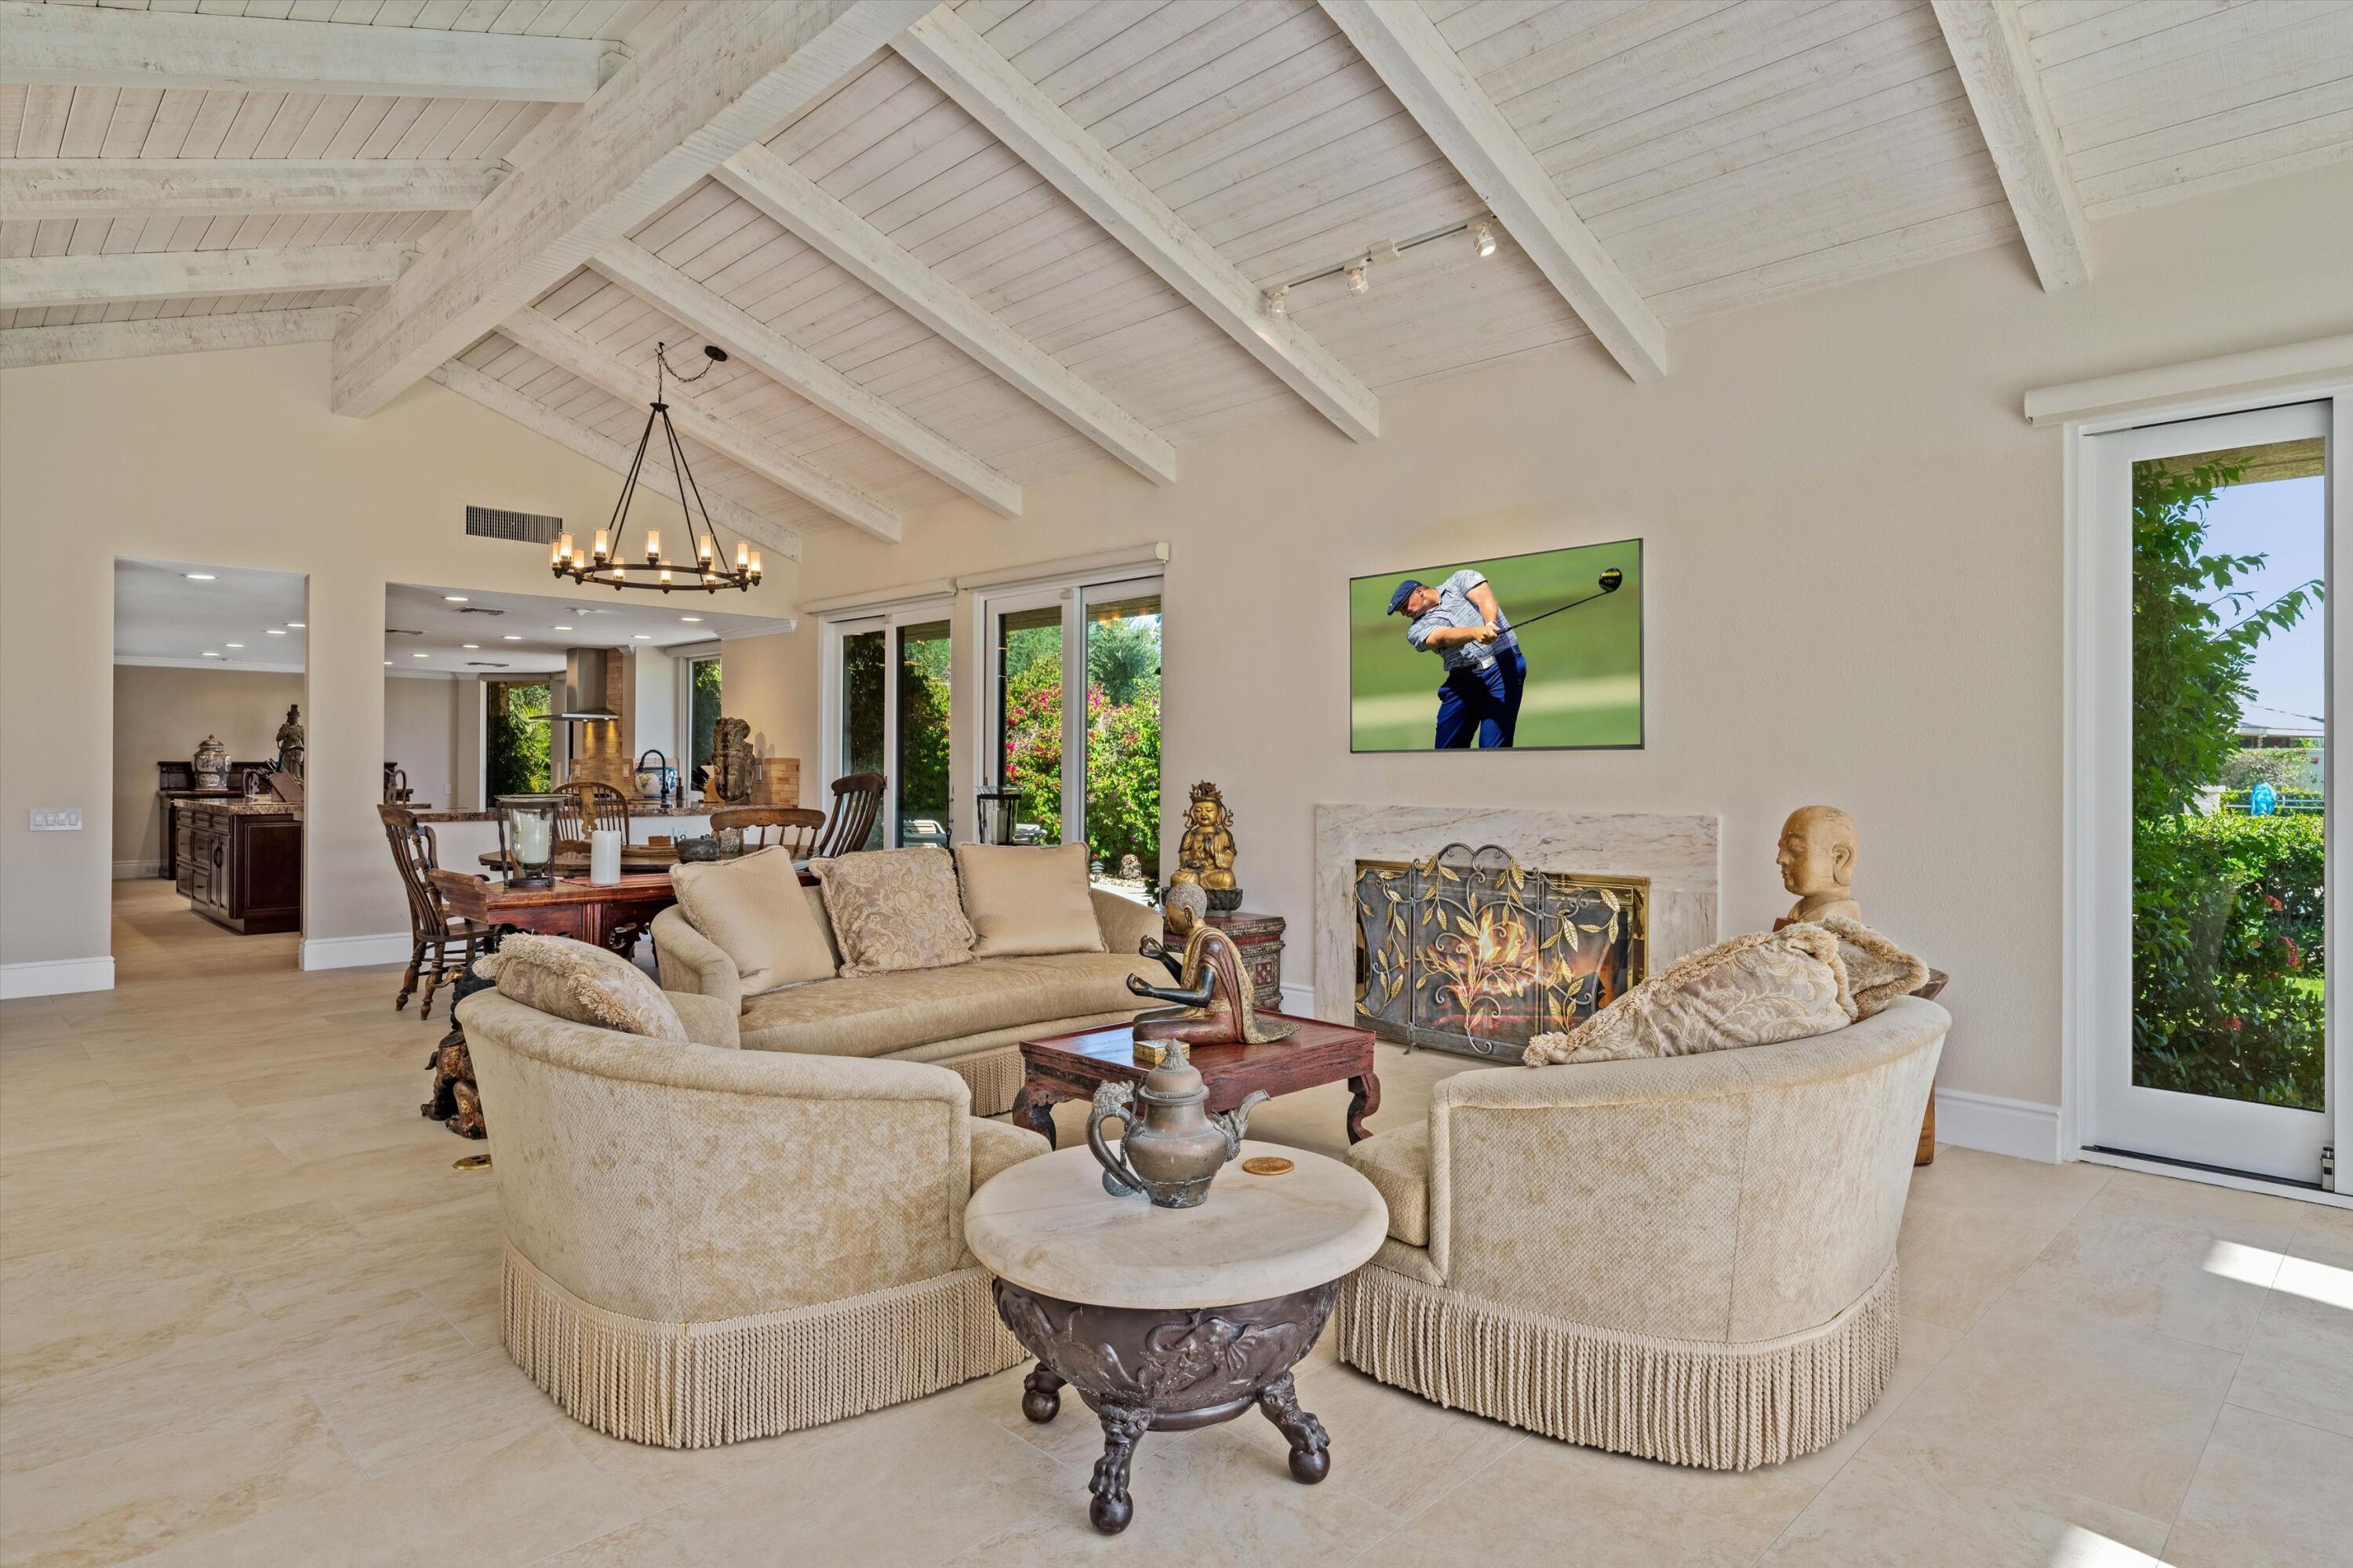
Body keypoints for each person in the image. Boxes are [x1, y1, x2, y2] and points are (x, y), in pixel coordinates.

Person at [1388, 569, 1525, 748]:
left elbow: (1484, 597)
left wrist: (1490, 623)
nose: (1404, 613)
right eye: (1400, 611)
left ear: (1419, 592)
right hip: (1463, 682)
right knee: (1446, 749)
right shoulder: (1415, 630)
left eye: (1404, 606)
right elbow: (1442, 637)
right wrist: (1476, 633)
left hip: (1503, 668)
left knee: (1492, 748)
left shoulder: (1460, 580)